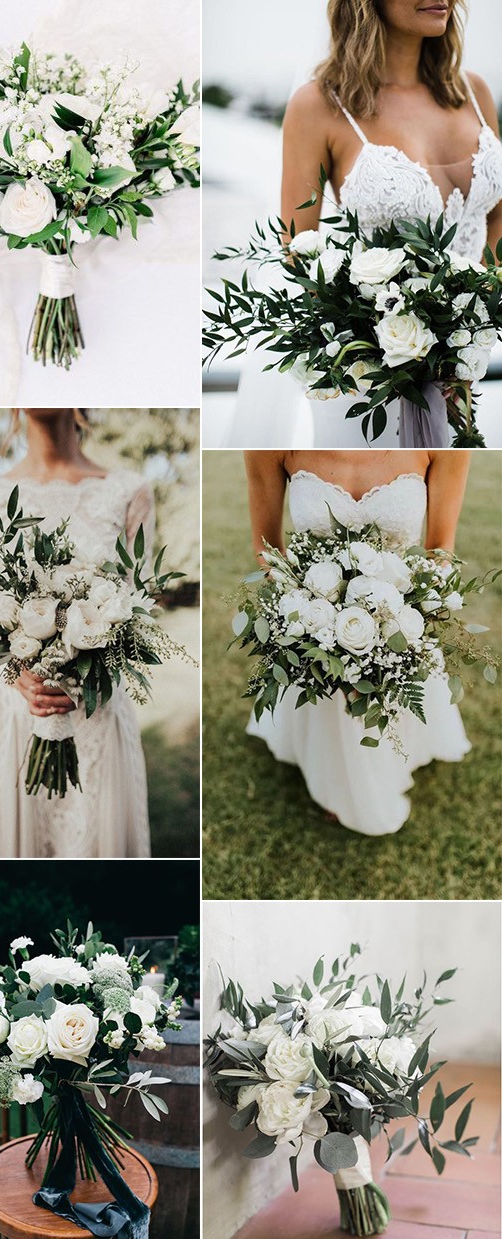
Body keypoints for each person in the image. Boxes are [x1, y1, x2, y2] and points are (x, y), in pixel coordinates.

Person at [227, 0, 502, 448]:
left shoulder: (474, 92)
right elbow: (300, 249)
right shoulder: (318, 105)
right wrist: (387, 342)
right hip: (368, 383)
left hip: (467, 367)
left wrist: (473, 322)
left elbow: (497, 218)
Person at [0, 408, 153, 857]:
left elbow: (137, 603)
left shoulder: (128, 490)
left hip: (97, 707)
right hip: (20, 706)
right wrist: (14, 669)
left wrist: (93, 663)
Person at [244, 448, 471, 833]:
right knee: (331, 697)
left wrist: (402, 621)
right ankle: (336, 779)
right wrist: (312, 620)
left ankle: (400, 751)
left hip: (398, 618)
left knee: (390, 696)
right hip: (316, 617)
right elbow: (268, 549)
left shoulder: (440, 444)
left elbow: (439, 548)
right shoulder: (276, 444)